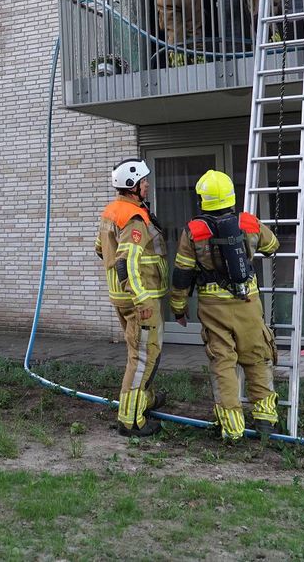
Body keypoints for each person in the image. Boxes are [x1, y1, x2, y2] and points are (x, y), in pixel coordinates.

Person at [169, 170, 281, 441]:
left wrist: (178, 308)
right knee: (257, 357)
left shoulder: (192, 231)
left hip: (213, 307)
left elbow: (182, 273)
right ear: (231, 195)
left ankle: (231, 426)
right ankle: (266, 419)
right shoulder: (248, 222)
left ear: (203, 200)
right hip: (248, 303)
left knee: (223, 362)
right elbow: (273, 245)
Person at [94, 158, 168, 437]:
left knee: (140, 355)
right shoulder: (133, 217)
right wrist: (141, 301)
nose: (147, 184)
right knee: (142, 359)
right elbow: (129, 262)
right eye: (143, 181)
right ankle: (130, 419)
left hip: (121, 297)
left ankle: (143, 401)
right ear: (132, 185)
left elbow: (100, 249)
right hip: (140, 299)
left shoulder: (112, 211)